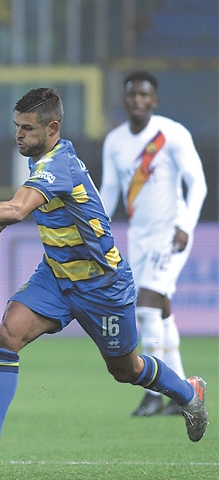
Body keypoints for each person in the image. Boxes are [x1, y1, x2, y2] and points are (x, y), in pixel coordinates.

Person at [0, 88, 208, 473]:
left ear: (52, 128)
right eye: (16, 127)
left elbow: (19, 207)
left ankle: (189, 393)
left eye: (27, 129)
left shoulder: (61, 164)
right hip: (56, 275)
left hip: (103, 286)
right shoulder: (43, 163)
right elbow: (23, 203)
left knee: (126, 370)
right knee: (8, 335)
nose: (19, 135)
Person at [100, 71, 208, 417]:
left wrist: (185, 225)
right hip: (139, 237)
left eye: (144, 95)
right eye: (132, 94)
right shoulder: (115, 141)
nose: (137, 100)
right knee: (160, 311)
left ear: (154, 101)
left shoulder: (171, 134)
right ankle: (185, 393)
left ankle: (154, 393)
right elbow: (109, 193)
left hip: (170, 235)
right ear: (125, 99)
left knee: (145, 307)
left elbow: (199, 183)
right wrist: (95, 232)